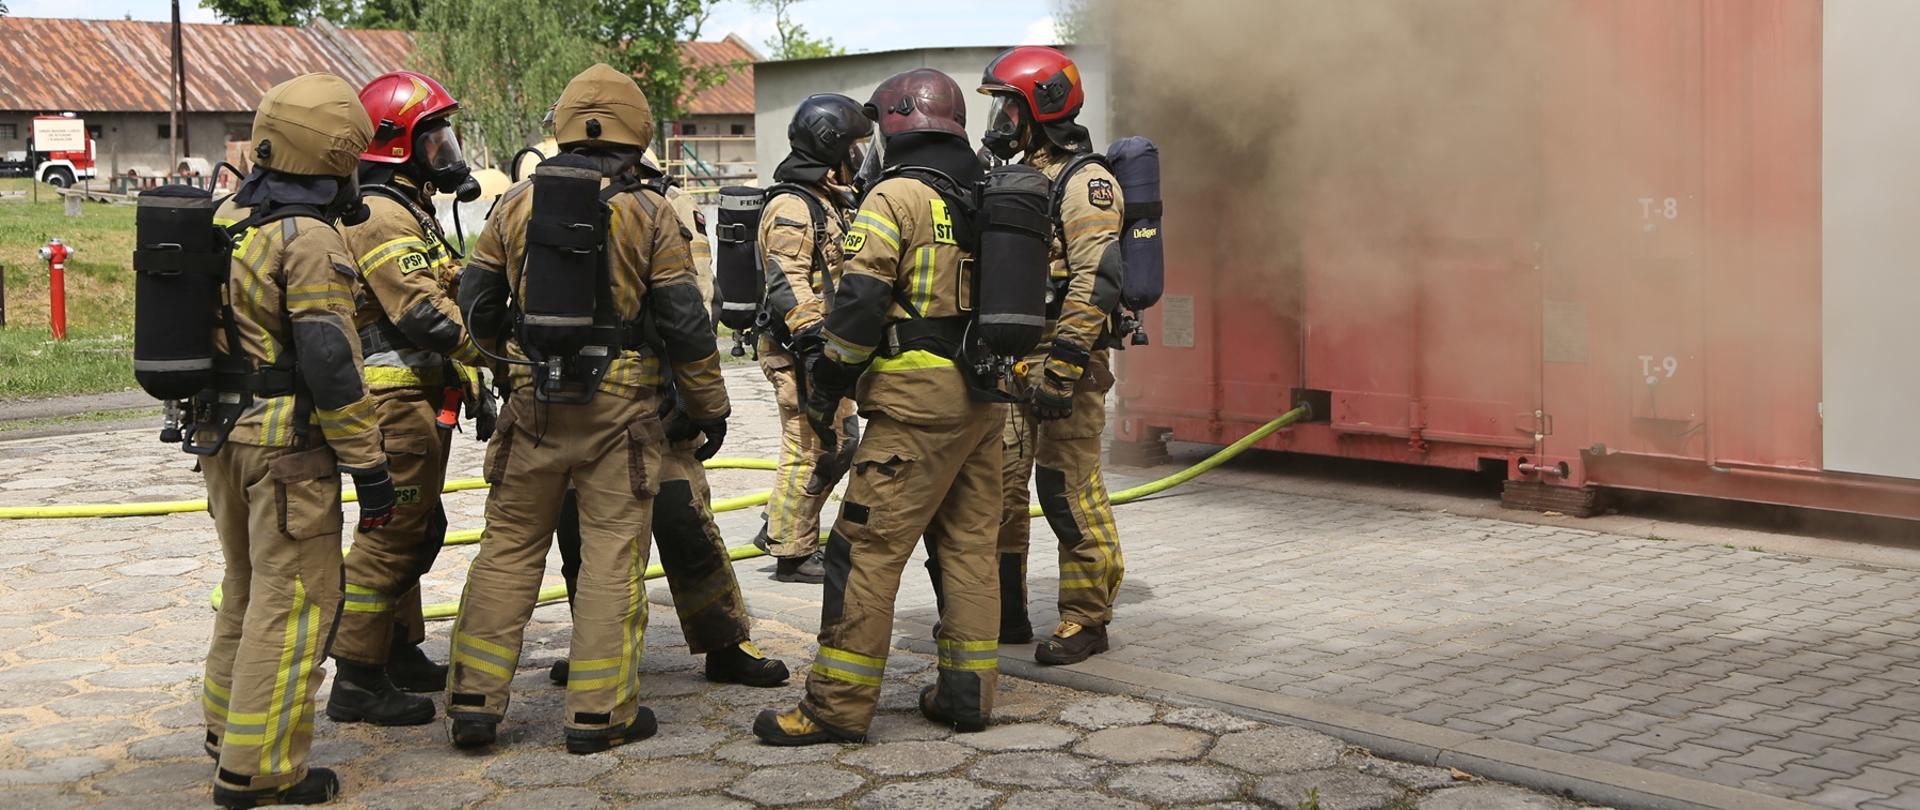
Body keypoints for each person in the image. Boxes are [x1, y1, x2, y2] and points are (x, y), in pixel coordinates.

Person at [447, 63, 730, 755]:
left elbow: (475, 304)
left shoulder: (512, 205)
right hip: (621, 413)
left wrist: (507, 367)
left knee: (506, 551)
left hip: (532, 408)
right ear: (636, 135)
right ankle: (599, 716)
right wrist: (707, 406)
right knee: (610, 557)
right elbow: (686, 322)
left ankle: (473, 704)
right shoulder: (651, 212)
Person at [755, 68, 1005, 745]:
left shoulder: (896, 195)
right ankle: (966, 696)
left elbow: (862, 304)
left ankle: (834, 707)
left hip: (916, 407)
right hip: (985, 403)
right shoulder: (984, 193)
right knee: (969, 549)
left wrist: (830, 382)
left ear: (896, 125)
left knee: (861, 550)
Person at [198, 72, 386, 807]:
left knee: (245, 588)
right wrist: (368, 462)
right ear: (333, 152)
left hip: (224, 435)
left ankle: (226, 730)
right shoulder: (307, 237)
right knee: (300, 597)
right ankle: (262, 767)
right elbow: (331, 362)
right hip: (288, 450)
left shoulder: (224, 218)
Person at [546, 153, 789, 691]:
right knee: (579, 531)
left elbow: (693, 303)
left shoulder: (663, 204)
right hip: (573, 402)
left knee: (683, 520)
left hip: (650, 401)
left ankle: (725, 642)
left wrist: (694, 397)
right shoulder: (541, 195)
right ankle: (595, 648)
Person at [327, 69, 484, 727]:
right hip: (392, 402)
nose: (446, 147)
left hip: (418, 399)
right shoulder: (381, 213)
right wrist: (501, 347)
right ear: (399, 144)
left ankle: (396, 650)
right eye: (435, 134)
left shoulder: (405, 206)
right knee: (391, 535)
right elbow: (424, 314)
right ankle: (358, 678)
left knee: (420, 526)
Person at [977, 45, 1127, 665]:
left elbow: (1097, 278)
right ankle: (1006, 613)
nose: (1001, 118)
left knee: (1067, 490)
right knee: (1002, 489)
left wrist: (1063, 368)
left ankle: (1086, 619)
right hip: (1013, 360)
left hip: (1066, 362)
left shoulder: (1085, 182)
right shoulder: (1017, 173)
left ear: (1040, 104)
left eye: (1009, 104)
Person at [751, 93, 871, 583]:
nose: (858, 158)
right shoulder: (793, 205)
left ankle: (782, 525)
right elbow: (785, 278)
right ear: (830, 147)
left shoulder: (825, 200)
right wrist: (814, 343)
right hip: (799, 352)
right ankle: (792, 552)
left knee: (836, 442)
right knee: (814, 446)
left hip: (818, 348)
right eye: (853, 148)